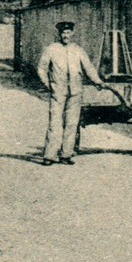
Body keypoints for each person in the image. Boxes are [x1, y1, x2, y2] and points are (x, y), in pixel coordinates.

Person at [36, 20, 107, 166]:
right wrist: (48, 84)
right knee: (55, 123)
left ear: (72, 33)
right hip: (58, 92)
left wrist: (98, 81)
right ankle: (49, 156)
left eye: (68, 33)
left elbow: (88, 68)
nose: (65, 36)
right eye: (63, 33)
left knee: (71, 123)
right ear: (59, 34)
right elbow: (41, 69)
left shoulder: (78, 50)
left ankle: (66, 155)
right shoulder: (51, 49)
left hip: (75, 92)